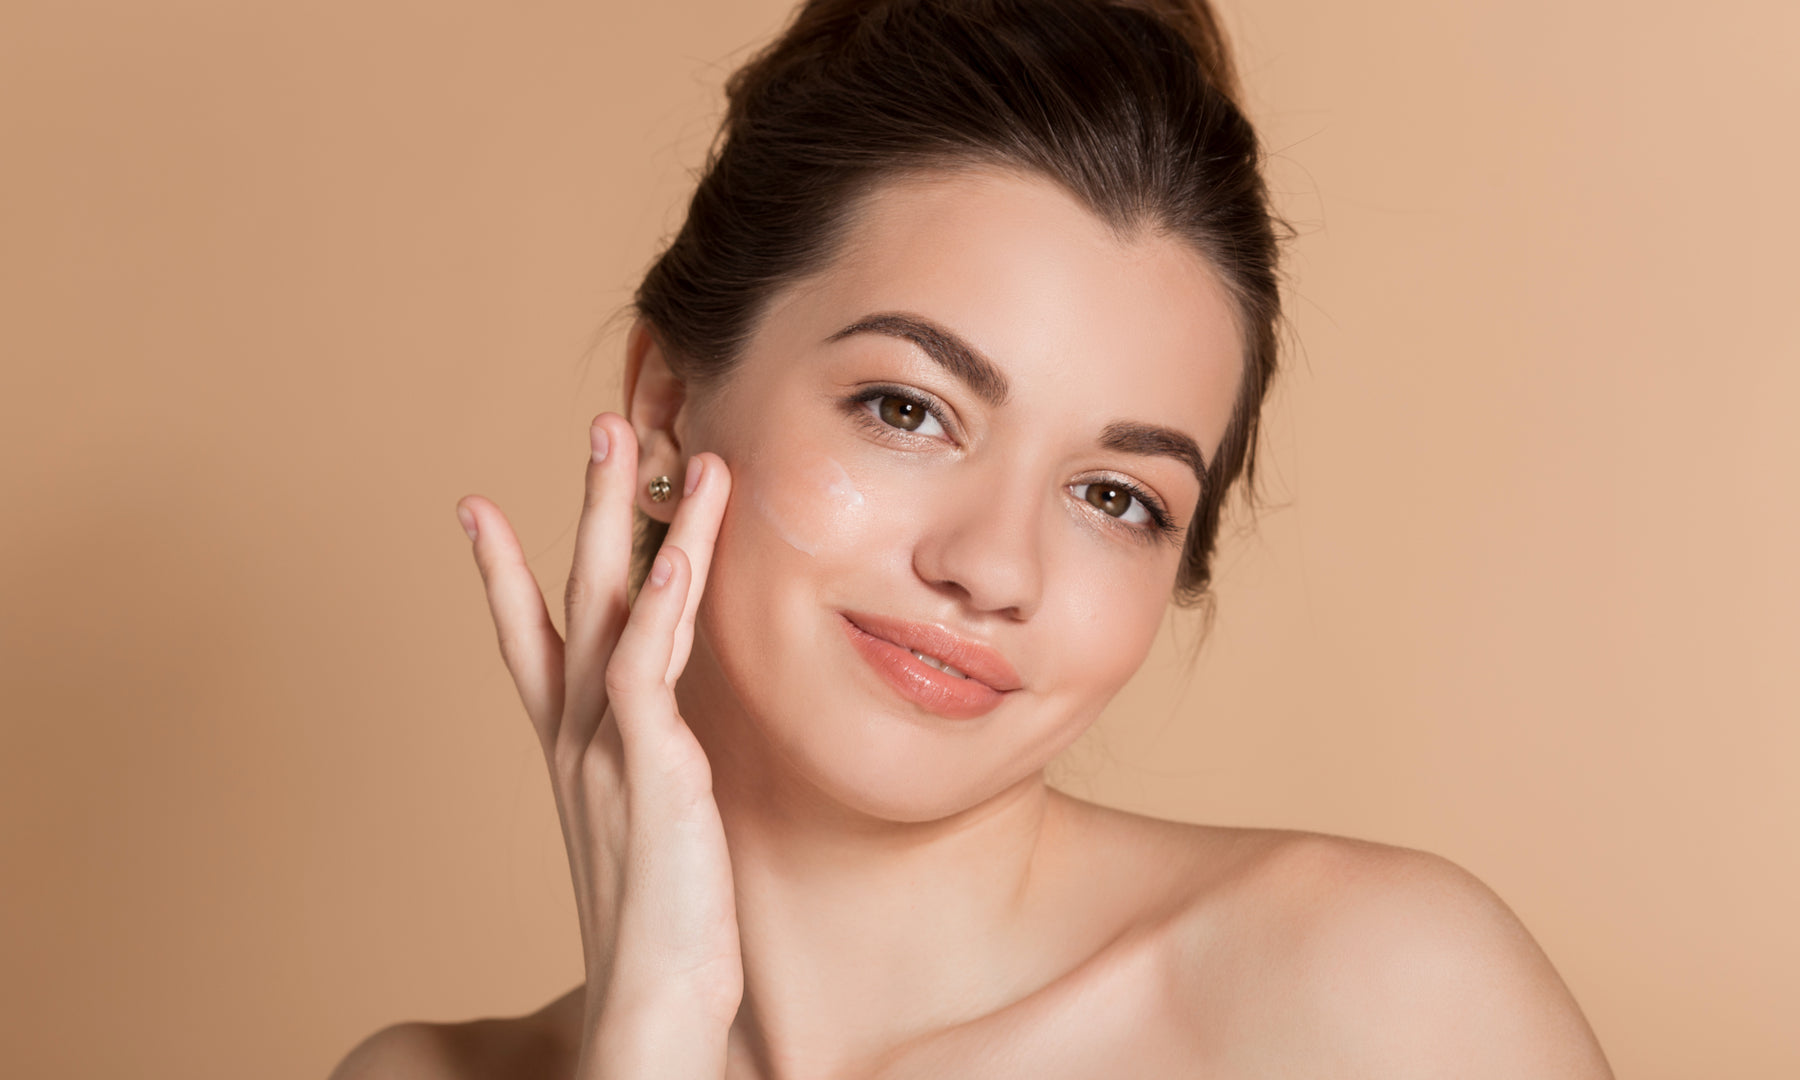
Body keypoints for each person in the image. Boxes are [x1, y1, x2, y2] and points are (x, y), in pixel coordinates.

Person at [333, 0, 1613, 1076]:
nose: (994, 568)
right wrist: (654, 1039)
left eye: (1118, 496)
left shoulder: (1377, 1009)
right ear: (666, 413)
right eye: (910, 410)